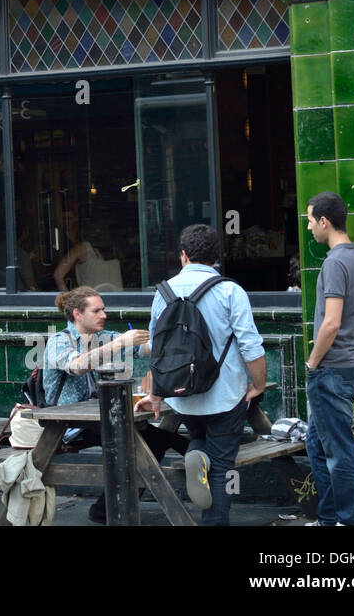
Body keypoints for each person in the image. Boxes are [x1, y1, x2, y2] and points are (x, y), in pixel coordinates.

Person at [136, 224, 266, 526]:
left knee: (198, 436)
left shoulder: (163, 292)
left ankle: (196, 453)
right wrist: (257, 384)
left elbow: (158, 349)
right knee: (222, 467)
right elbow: (251, 346)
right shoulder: (230, 291)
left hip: (181, 396)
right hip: (225, 395)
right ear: (216, 258)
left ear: (183, 255)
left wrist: (155, 393)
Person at [42, 286, 187, 523]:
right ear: (78, 314)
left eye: (104, 310)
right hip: (67, 425)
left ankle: (105, 509)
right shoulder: (59, 341)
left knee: (150, 441)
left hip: (98, 419)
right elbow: (78, 366)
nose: (104, 315)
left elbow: (144, 348)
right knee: (150, 439)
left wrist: (170, 335)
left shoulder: (104, 336)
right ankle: (204, 460)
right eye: (97, 311)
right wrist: (119, 344)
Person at [304, 191, 354, 527]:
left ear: (324, 221)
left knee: (338, 450)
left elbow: (331, 322)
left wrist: (312, 362)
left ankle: (349, 522)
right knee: (317, 441)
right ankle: (328, 517)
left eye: (309, 220)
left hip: (331, 370)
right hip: (352, 366)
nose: (308, 228)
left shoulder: (335, 262)